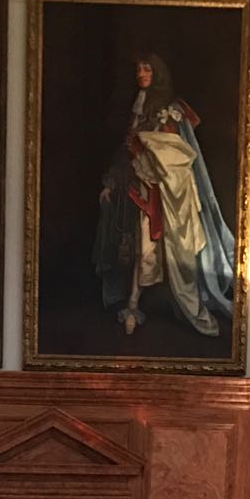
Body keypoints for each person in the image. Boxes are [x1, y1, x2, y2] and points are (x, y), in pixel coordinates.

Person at [93, 53, 235, 339]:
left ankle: (141, 303)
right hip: (136, 186)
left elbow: (174, 153)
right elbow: (126, 149)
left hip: (164, 192)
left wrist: (145, 144)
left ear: (157, 72)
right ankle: (133, 304)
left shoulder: (170, 110)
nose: (141, 74)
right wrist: (111, 181)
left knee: (158, 248)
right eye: (138, 69)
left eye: (146, 69)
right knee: (135, 247)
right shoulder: (139, 106)